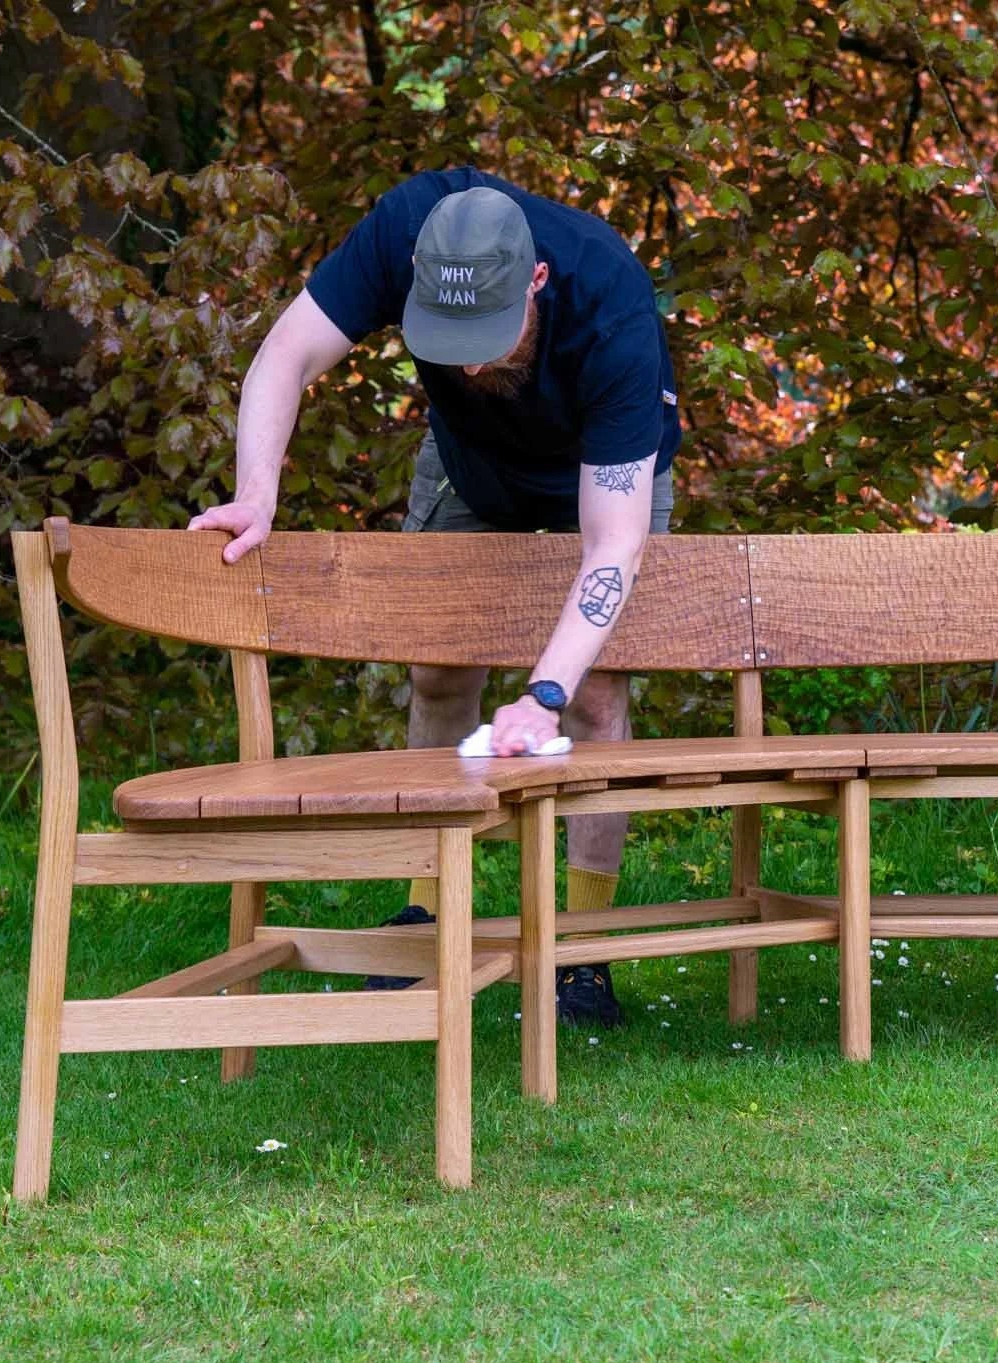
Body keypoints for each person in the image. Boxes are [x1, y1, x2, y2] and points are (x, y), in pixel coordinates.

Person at [190, 169, 681, 1027]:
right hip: (470, 466)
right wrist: (257, 487)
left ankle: (585, 947)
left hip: (603, 476)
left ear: (537, 281)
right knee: (438, 674)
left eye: (490, 334)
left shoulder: (611, 302)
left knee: (597, 697)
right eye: (449, 336)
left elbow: (615, 544)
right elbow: (286, 353)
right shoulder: (405, 232)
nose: (469, 359)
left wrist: (544, 691)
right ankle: (427, 910)